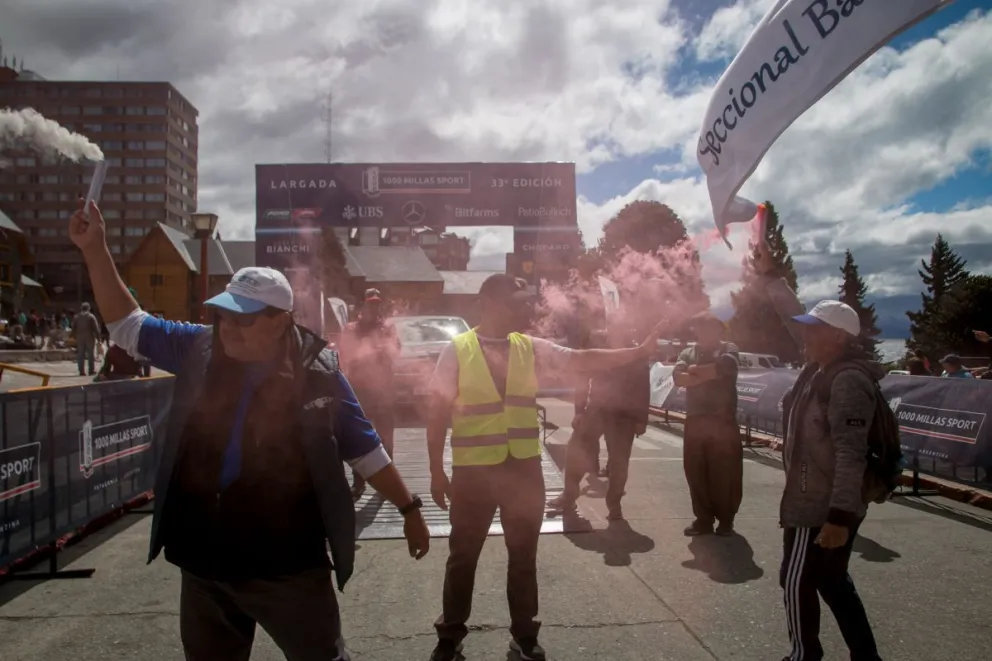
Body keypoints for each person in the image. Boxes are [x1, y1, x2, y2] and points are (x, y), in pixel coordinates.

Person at [69, 201, 430, 661]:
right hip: (205, 564)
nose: (228, 329)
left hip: (288, 567)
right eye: (223, 315)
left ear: (280, 322)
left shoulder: (318, 372)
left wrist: (410, 509)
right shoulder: (198, 346)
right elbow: (126, 325)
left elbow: (366, 451)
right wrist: (95, 248)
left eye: (244, 319)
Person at [425, 274, 662, 661]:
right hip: (474, 474)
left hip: (523, 471)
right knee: (463, 556)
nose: (522, 308)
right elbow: (436, 413)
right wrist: (437, 469)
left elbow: (583, 360)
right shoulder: (457, 350)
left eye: (523, 301)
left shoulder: (528, 347)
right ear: (487, 301)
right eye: (513, 301)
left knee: (523, 556)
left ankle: (524, 635)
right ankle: (450, 636)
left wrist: (637, 352)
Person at [756, 243, 884, 661]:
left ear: (838, 337)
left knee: (795, 581)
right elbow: (794, 327)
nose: (806, 335)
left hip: (821, 506)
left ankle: (803, 656)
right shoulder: (820, 366)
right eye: (806, 328)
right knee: (831, 581)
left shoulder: (846, 381)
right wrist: (771, 278)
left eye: (815, 329)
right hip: (818, 500)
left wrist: (839, 518)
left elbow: (852, 454)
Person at [547, 319, 651, 521]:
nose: (617, 331)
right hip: (596, 410)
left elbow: (643, 387)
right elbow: (583, 380)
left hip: (624, 416)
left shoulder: (637, 354)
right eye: (614, 327)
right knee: (576, 449)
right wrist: (579, 410)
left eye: (622, 327)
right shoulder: (600, 352)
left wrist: (641, 419)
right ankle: (568, 495)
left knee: (619, 463)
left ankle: (614, 505)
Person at [672, 311, 742, 537]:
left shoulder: (729, 348)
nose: (702, 332)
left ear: (718, 330)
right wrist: (706, 373)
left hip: (723, 422)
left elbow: (724, 368)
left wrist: (695, 371)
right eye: (699, 328)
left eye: (708, 327)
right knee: (695, 472)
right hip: (695, 421)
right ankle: (703, 519)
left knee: (725, 474)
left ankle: (726, 520)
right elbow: (678, 377)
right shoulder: (687, 352)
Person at [339, 287, 401, 500]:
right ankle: (359, 484)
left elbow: (395, 351)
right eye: (370, 303)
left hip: (383, 390)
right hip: (359, 391)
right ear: (362, 306)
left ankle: (389, 484)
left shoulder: (387, 328)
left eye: (377, 304)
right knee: (359, 438)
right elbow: (345, 354)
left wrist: (385, 350)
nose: (374, 308)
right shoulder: (350, 329)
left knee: (386, 439)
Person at [72, 302, 101, 376]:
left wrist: (74, 336)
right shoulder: (91, 316)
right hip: (89, 337)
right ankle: (91, 370)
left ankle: (81, 371)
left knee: (81, 354)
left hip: (79, 337)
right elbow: (96, 328)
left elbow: (73, 328)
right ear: (89, 308)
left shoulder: (76, 317)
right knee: (90, 354)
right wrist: (99, 338)